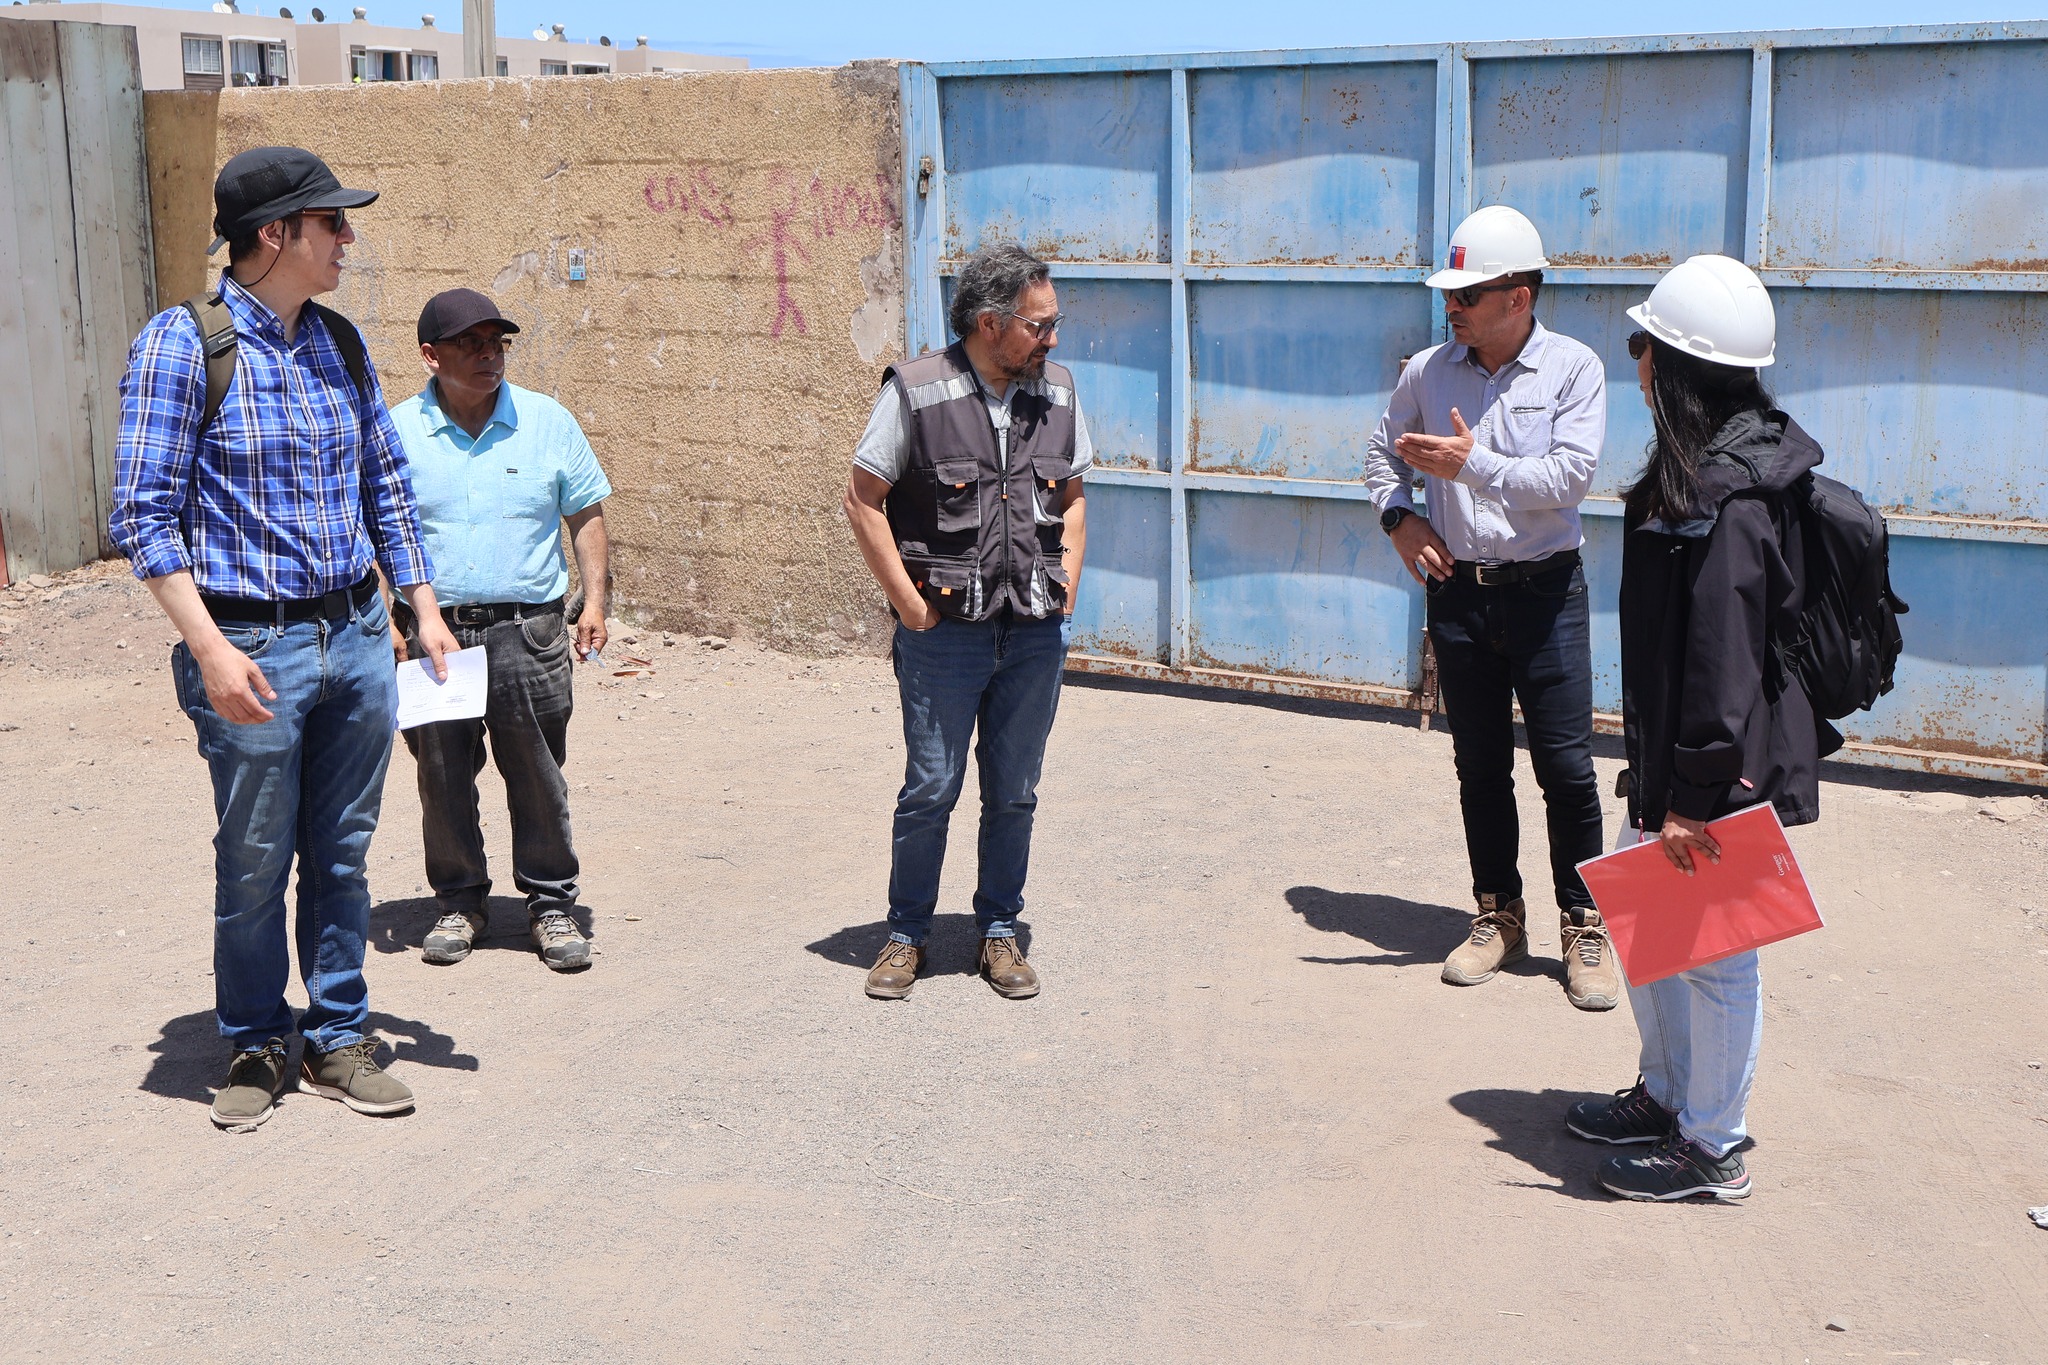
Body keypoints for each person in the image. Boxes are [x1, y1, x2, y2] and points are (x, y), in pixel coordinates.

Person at [109, 146, 460, 1130]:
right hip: (248, 645)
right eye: (333, 224)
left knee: (342, 853)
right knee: (256, 857)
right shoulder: (185, 346)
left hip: (352, 633)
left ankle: (337, 1037)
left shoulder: (339, 345)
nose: (349, 239)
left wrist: (419, 608)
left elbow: (384, 486)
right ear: (277, 234)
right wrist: (211, 649)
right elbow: (142, 515)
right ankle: (259, 1038)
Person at [1565, 254, 1829, 1201]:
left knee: (1715, 956)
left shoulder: (1733, 497)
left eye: (1643, 344)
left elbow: (1723, 661)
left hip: (1713, 771)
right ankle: (1670, 1095)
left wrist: (1693, 796)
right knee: (1651, 930)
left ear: (1677, 366)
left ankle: (1714, 1143)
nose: (1632, 359)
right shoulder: (1708, 468)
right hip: (1672, 761)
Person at [1361, 205, 1619, 1011]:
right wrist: (1399, 519)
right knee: (1480, 768)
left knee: (1568, 770)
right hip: (1460, 598)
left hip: (1546, 592)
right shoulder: (1428, 372)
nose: (1454, 307)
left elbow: (1569, 479)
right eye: (1451, 294)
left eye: (1470, 294)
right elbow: (1380, 452)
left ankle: (1584, 923)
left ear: (1519, 296)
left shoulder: (1575, 369)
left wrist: (1474, 468)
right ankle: (1498, 913)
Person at [841, 242, 1090, 1000]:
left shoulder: (1059, 391)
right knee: (932, 787)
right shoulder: (915, 392)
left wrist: (1069, 582)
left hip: (1033, 632)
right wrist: (909, 605)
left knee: (1014, 789)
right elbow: (862, 498)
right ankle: (906, 934)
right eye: (1040, 326)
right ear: (991, 323)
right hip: (945, 634)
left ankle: (1000, 934)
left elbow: (1073, 495)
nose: (1053, 338)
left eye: (1053, 324)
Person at [386, 288, 612, 972]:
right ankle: (460, 901)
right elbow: (375, 532)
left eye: (498, 343)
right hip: (434, 637)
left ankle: (550, 905)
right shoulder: (396, 432)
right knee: (442, 775)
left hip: (530, 632)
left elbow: (587, 515)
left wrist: (595, 601)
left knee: (539, 774)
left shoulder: (546, 422)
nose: (490, 356)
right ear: (431, 355)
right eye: (470, 344)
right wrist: (381, 618)